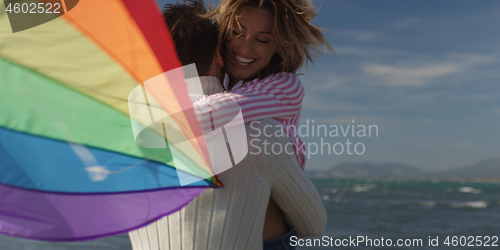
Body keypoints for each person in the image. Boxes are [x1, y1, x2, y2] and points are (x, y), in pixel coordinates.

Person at [129, 0, 330, 249]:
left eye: (263, 40)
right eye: (236, 32)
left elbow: (227, 109)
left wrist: (151, 128)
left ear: (280, 45)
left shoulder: (284, 87)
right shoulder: (217, 80)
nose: (245, 47)